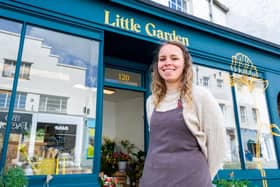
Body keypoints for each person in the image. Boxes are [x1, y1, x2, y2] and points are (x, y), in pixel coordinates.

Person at [140, 41, 227, 187]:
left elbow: (218, 145)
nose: (167, 63)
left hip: (191, 179)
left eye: (174, 58)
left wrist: (203, 177)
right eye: (162, 59)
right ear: (157, 66)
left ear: (185, 64)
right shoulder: (151, 101)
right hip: (153, 178)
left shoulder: (200, 96)